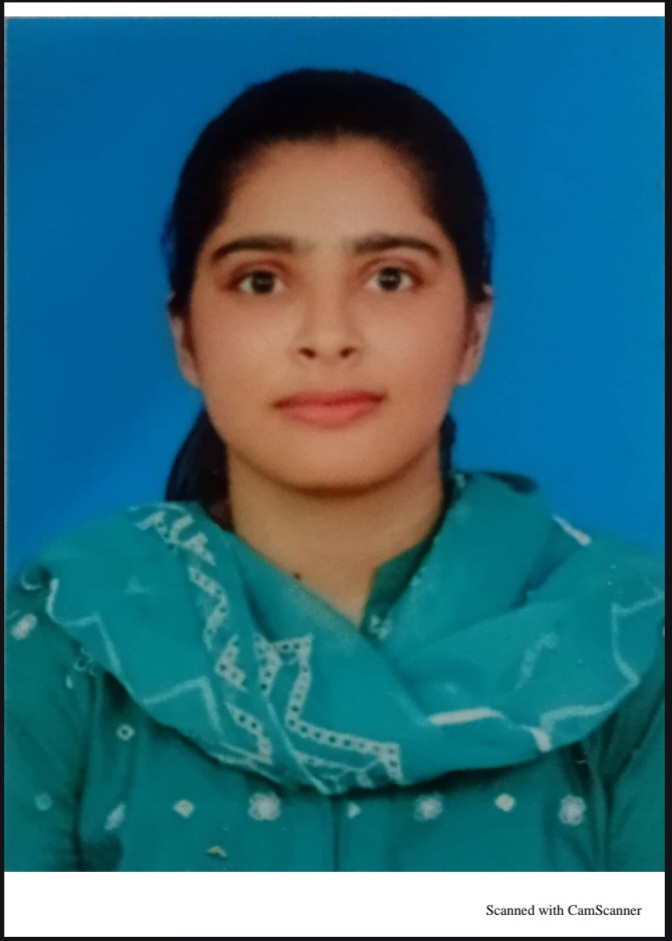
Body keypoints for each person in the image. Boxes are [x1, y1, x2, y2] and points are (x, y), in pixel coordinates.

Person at [5, 68, 664, 872]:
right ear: (186, 338)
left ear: (472, 330)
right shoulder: (66, 643)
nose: (327, 336)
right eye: (262, 281)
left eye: (390, 277)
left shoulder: (631, 643)